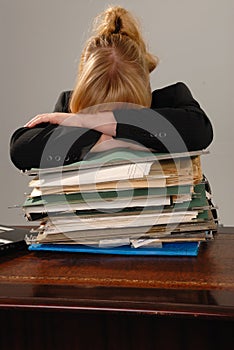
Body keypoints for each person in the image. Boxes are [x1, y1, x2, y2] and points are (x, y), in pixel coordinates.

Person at [10, 6, 213, 171]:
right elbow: (21, 150)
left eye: (121, 111)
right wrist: (118, 135)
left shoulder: (172, 99)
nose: (107, 115)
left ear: (144, 87)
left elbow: (200, 132)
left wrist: (88, 121)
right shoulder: (67, 105)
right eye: (97, 110)